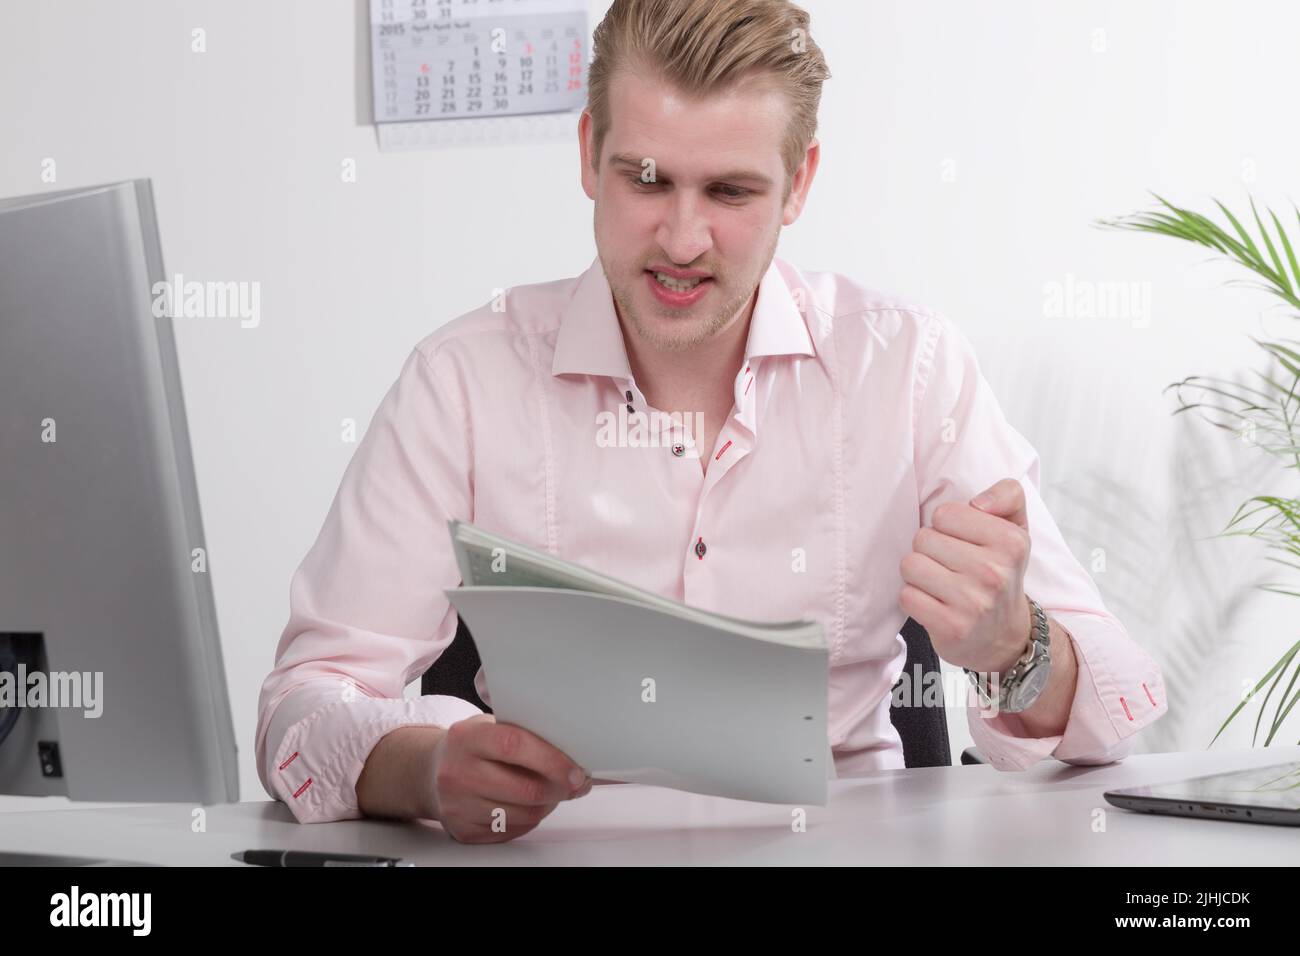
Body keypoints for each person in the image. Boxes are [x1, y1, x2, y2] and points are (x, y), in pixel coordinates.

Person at [256, 0, 1167, 844]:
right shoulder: (460, 382)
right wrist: (418, 768)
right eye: (647, 181)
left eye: (731, 193)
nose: (683, 240)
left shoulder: (908, 369)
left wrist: (1017, 646)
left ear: (799, 182)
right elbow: (301, 708)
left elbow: (1124, 702)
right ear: (588, 154)